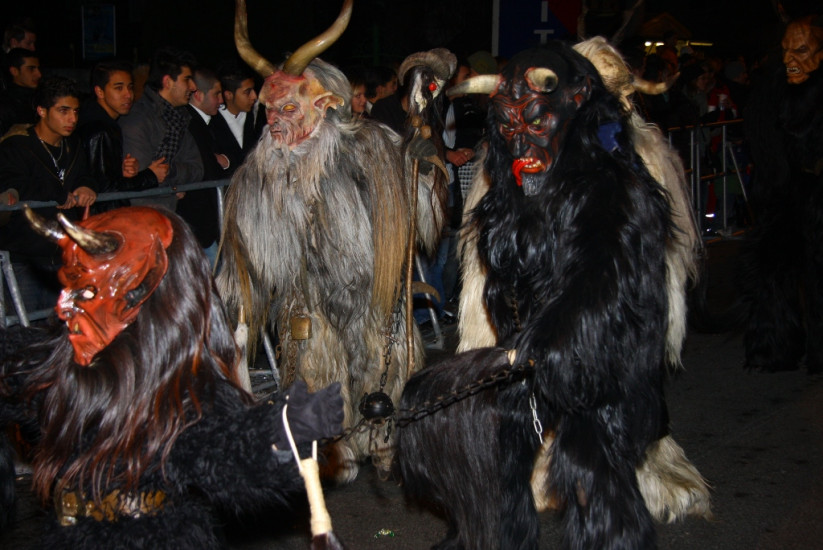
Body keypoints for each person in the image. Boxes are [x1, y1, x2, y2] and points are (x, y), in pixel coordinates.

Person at [0, 205, 343, 548]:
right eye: (70, 289)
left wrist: (282, 432)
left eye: (88, 292)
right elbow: (16, 369)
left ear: (143, 293)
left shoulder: (181, 392)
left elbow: (221, 449)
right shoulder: (58, 365)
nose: (64, 308)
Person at [741, 14, 823, 373]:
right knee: (775, 271)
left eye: (801, 51)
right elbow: (763, 137)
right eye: (786, 50)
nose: (790, 59)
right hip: (784, 192)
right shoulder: (772, 89)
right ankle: (775, 346)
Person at [0, 76, 96, 311]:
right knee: (25, 325)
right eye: (63, 111)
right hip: (26, 258)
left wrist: (85, 186)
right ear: (42, 111)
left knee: (62, 323)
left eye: (75, 111)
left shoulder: (73, 145)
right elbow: (12, 183)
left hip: (65, 255)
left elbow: (85, 174)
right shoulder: (17, 146)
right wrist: (57, 193)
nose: (72, 119)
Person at [76, 60, 168, 213]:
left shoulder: (102, 122)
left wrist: (121, 171)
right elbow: (106, 190)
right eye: (118, 88)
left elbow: (100, 177)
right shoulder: (100, 129)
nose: (128, 95)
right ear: (100, 92)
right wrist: (150, 176)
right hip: (101, 218)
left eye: (130, 87)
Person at [118, 46, 202, 211]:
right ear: (168, 82)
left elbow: (197, 169)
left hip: (165, 212)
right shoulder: (138, 119)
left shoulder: (180, 117)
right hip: (142, 215)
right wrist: (173, 185)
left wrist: (170, 173)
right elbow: (140, 179)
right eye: (187, 79)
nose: (193, 87)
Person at [181, 67, 229, 264]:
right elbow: (204, 170)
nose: (221, 100)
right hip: (199, 226)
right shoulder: (191, 124)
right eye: (216, 94)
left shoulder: (205, 123)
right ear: (199, 95)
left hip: (205, 226)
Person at [211, 62, 259, 173]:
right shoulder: (211, 121)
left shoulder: (257, 116)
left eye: (253, 90)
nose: (254, 96)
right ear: (228, 95)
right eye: (247, 92)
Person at [0, 48, 41, 136]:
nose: (38, 74)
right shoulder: (5, 103)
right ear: (14, 71)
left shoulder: (41, 97)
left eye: (38, 68)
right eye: (31, 69)